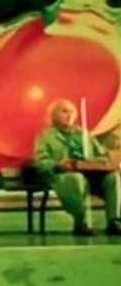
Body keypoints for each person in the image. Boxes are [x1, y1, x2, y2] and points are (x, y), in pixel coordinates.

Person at [33, 99, 121, 237]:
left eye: (72, 111)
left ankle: (114, 222)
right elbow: (40, 163)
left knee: (113, 178)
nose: (69, 115)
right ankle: (81, 222)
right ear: (53, 115)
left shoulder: (84, 134)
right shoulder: (46, 137)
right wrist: (58, 164)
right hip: (62, 177)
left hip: (92, 176)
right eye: (64, 111)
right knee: (77, 178)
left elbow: (102, 156)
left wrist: (96, 163)